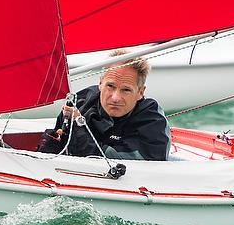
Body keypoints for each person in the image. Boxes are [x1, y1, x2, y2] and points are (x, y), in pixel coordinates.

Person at [37, 50, 170, 161]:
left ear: (140, 92)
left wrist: (79, 127)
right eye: (110, 86)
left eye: (126, 90)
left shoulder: (152, 122)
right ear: (100, 83)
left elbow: (118, 165)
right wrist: (51, 145)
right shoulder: (80, 103)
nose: (115, 97)